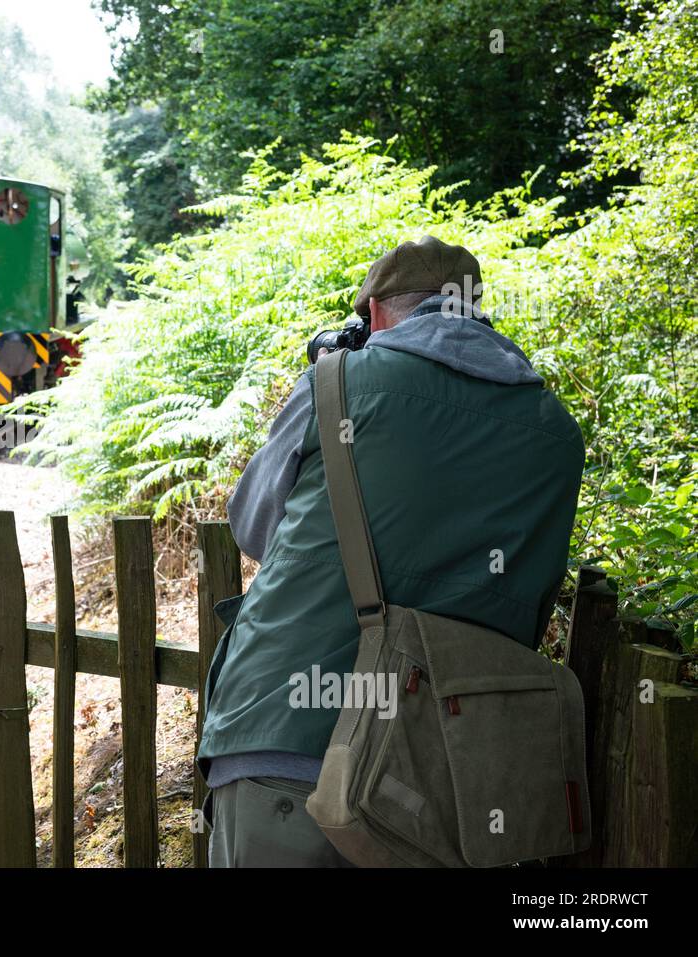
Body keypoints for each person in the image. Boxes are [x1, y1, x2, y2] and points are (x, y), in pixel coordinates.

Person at [197, 235, 584, 867]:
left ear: (375, 313)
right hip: (444, 772)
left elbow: (254, 526)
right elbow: (526, 599)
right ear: (476, 310)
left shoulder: (339, 383)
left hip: (291, 733)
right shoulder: (556, 433)